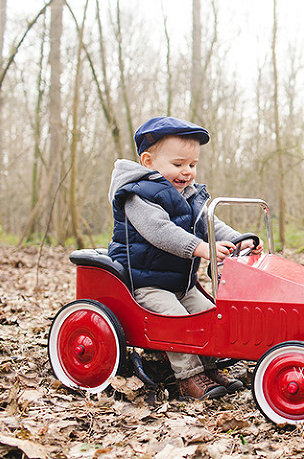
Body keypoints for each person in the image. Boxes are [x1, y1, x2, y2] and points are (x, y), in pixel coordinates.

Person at [107, 116, 262, 400]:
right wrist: (200, 248)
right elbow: (159, 231)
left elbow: (211, 224)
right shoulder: (137, 194)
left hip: (182, 283)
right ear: (148, 161)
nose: (187, 172)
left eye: (192, 165)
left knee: (209, 313)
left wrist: (240, 239)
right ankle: (187, 378)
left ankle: (210, 368)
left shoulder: (190, 195)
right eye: (178, 164)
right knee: (176, 321)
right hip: (145, 282)